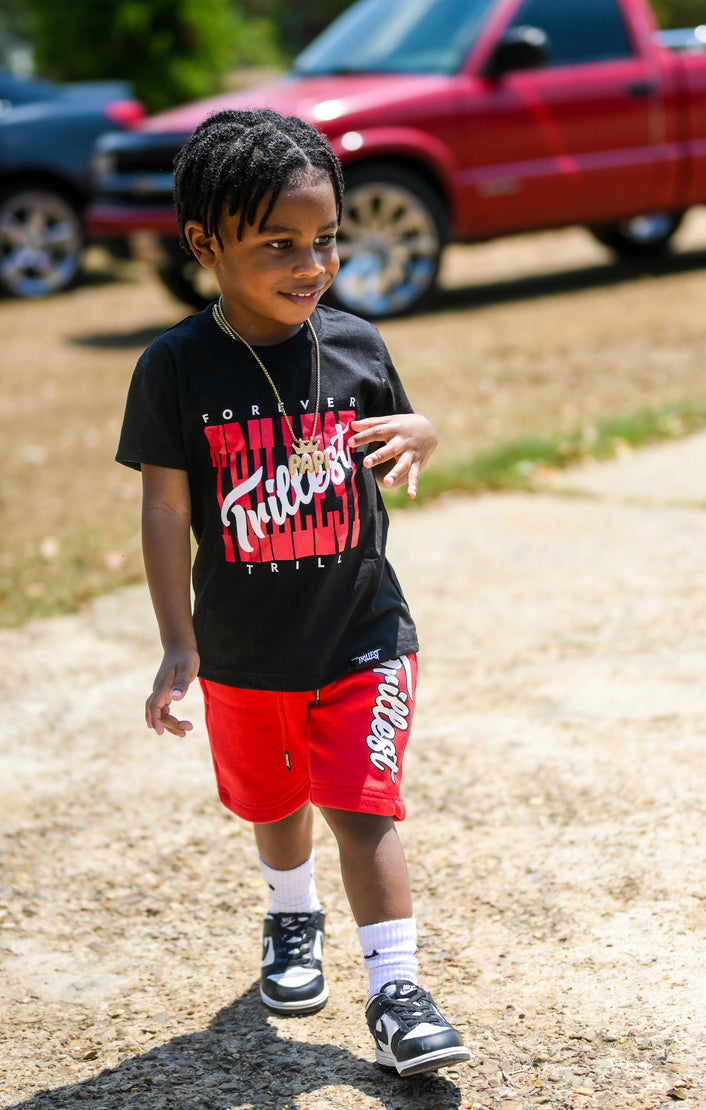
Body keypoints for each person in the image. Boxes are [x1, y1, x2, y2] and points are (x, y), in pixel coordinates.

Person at [116, 107, 470, 1078]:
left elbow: (403, 422)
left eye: (325, 241)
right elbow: (161, 510)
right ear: (204, 245)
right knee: (273, 801)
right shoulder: (175, 368)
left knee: (361, 806)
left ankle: (395, 989)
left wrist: (423, 432)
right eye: (279, 244)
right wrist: (177, 642)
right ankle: (288, 915)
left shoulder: (352, 344)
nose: (310, 264)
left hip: (362, 632)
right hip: (240, 648)